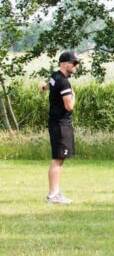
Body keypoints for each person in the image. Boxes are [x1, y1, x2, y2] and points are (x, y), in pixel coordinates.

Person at [40, 51, 80, 204]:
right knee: (57, 159)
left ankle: (55, 192)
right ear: (64, 64)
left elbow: (48, 84)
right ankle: (53, 195)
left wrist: (43, 87)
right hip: (61, 124)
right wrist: (74, 96)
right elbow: (69, 106)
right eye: (74, 63)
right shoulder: (63, 81)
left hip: (56, 123)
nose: (76, 66)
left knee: (59, 159)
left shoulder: (55, 76)